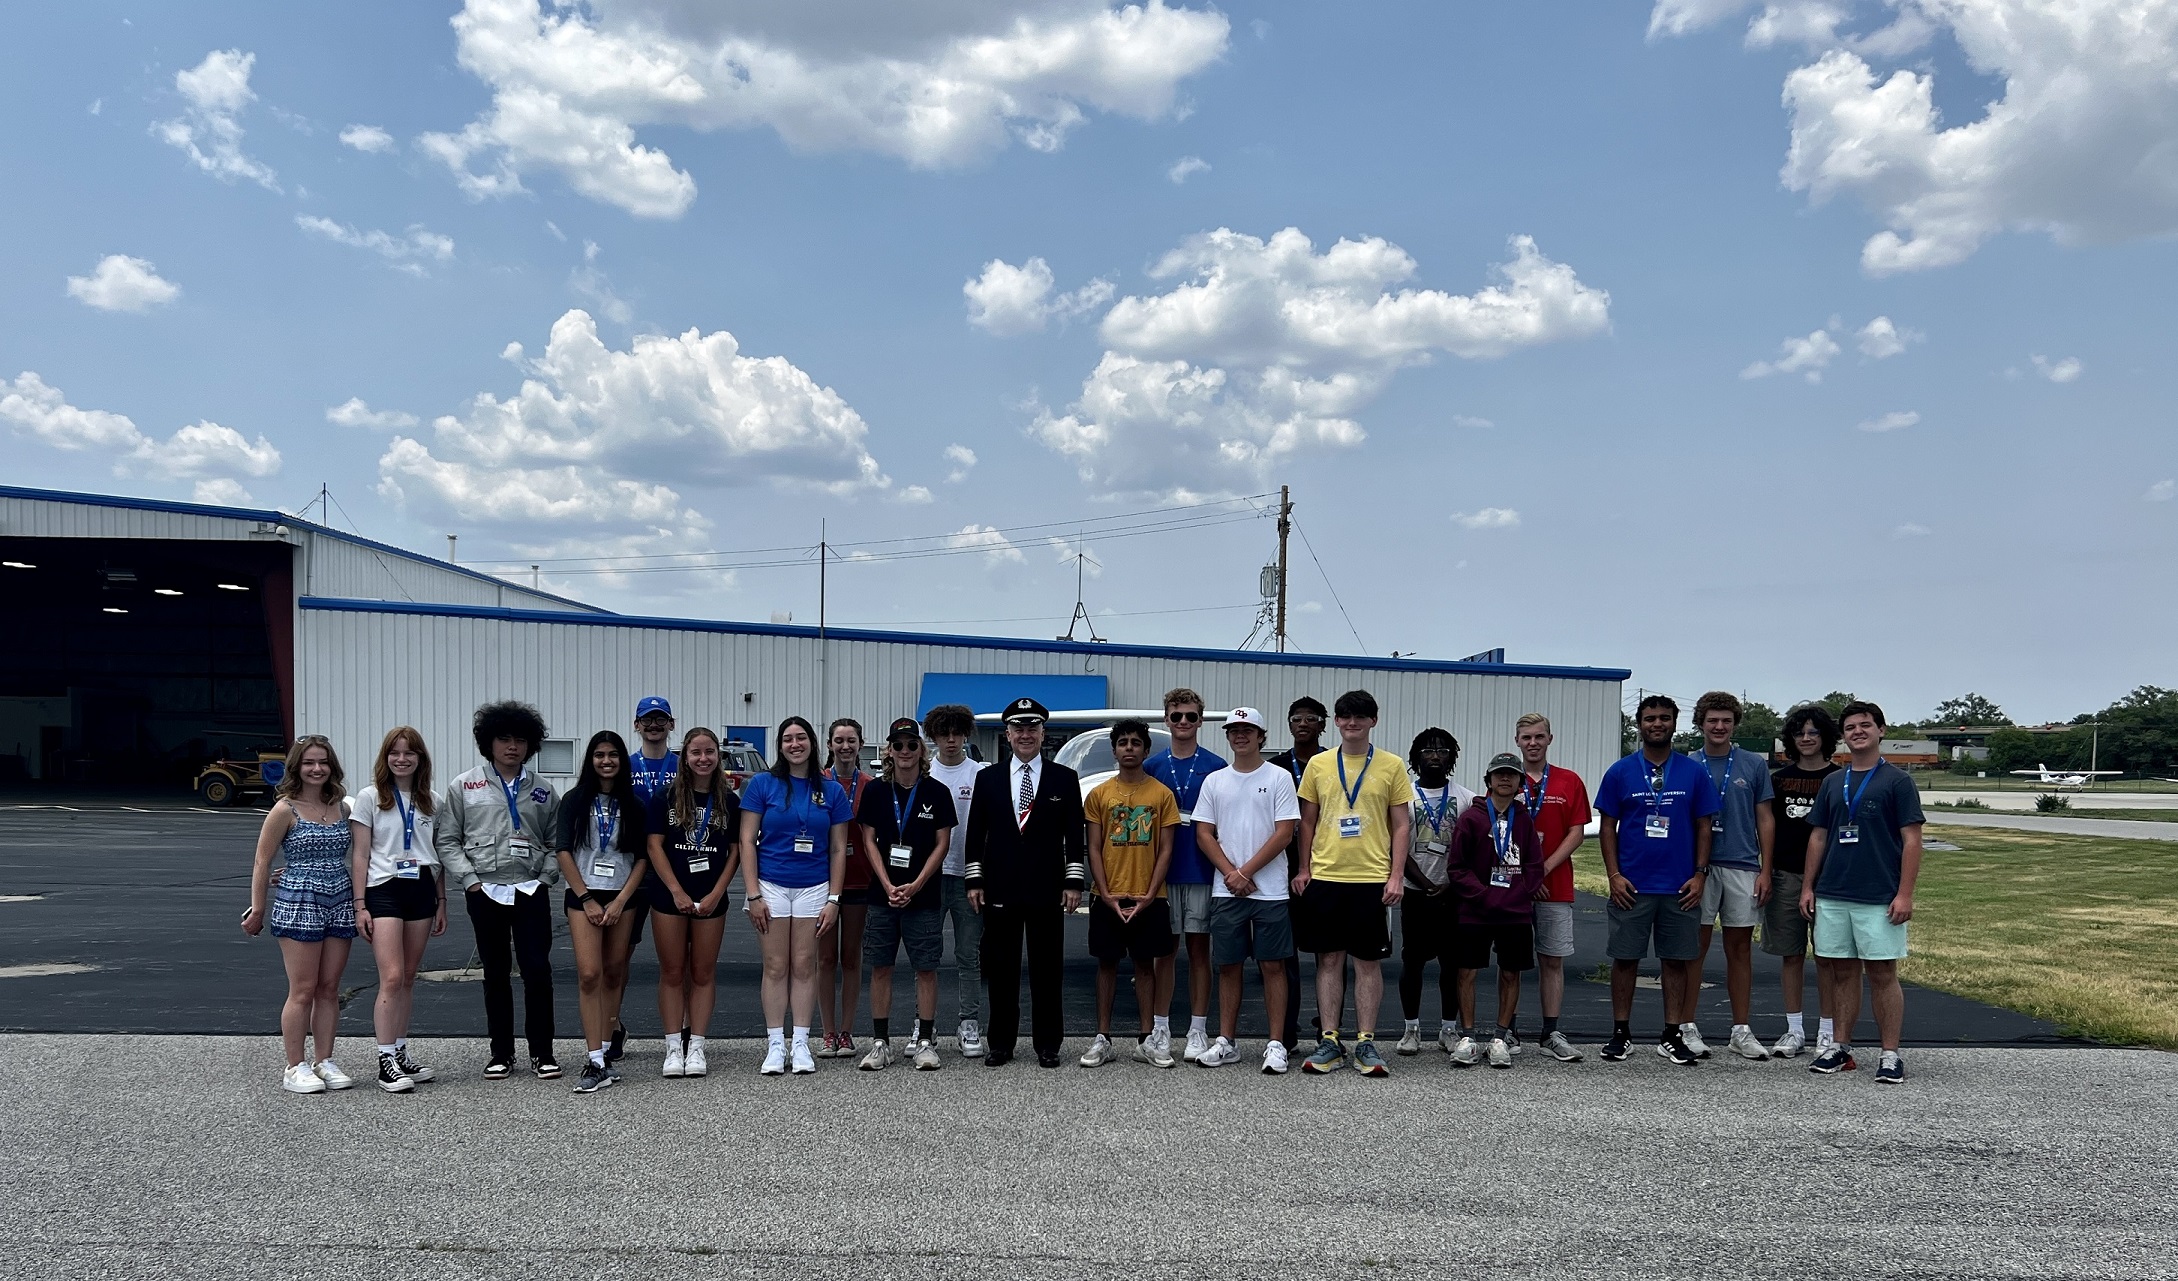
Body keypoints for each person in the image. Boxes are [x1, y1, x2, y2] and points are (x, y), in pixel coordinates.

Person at [1801, 701, 1924, 1084]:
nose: (1858, 731)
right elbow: (1818, 836)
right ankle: (1840, 1046)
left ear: (1881, 731)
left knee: (1883, 973)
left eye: (1865, 725)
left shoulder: (1897, 782)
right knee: (1842, 972)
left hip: (1878, 895)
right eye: (1851, 726)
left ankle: (1890, 1054)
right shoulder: (1833, 782)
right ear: (1844, 735)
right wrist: (1808, 886)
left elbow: (1912, 839)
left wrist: (1904, 894)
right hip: (1834, 893)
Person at [1593, 695, 1720, 1066]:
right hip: (1632, 884)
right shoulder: (1620, 771)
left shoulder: (1693, 771)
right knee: (1625, 959)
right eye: (1650, 718)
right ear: (1640, 724)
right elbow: (1607, 827)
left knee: (1676, 961)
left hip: (1680, 886)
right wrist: (1613, 875)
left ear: (1675, 723)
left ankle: (1671, 1034)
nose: (1657, 724)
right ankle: (1621, 1033)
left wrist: (1700, 874)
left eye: (1665, 718)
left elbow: (1704, 826)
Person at [438, 701, 562, 1080]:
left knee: (537, 971)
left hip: (529, 890)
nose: (512, 746)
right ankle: (501, 1052)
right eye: (504, 738)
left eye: (520, 740)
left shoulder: (542, 790)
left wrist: (545, 878)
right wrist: (470, 881)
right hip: (485, 891)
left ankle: (542, 1052)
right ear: (488, 743)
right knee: (495, 972)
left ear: (531, 745)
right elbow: (448, 840)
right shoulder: (464, 785)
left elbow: (558, 842)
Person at [1293, 689, 1414, 1077]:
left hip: (1371, 878)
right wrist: (1303, 868)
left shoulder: (1392, 766)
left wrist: (1396, 875)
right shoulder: (1319, 764)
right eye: (1345, 716)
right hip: (1326, 874)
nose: (1352, 723)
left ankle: (1365, 1041)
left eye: (1360, 716)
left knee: (1367, 962)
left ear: (1373, 721)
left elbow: (1401, 825)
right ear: (1337, 722)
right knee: (1327, 959)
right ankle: (1330, 1040)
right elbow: (1307, 821)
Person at [963, 697, 1086, 1069]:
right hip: (999, 887)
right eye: (1019, 729)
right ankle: (1000, 1043)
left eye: (1032, 728)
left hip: (1047, 887)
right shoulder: (988, 778)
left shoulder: (1064, 779)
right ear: (1008, 734)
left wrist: (1073, 881)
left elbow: (1073, 836)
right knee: (1001, 969)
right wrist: (975, 880)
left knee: (1048, 969)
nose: (1026, 735)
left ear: (1043, 733)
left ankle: (1048, 1045)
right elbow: (975, 833)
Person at [738, 716, 854, 1075]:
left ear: (812, 743)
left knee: (805, 965)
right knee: (775, 966)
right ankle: (776, 1044)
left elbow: (838, 849)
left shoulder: (832, 790)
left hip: (814, 886)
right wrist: (753, 894)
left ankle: (801, 1042)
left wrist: (834, 899)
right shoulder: (763, 784)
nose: (795, 744)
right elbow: (746, 841)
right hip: (771, 885)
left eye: (800, 737)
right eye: (787, 739)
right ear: (780, 746)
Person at [244, 736, 357, 1094]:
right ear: (297, 766)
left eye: (323, 762)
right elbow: (263, 860)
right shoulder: (284, 809)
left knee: (329, 988)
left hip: (339, 898)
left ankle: (324, 1060)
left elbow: (361, 851)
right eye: (309, 762)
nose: (317, 769)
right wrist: (258, 908)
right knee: (303, 989)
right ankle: (295, 1066)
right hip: (299, 901)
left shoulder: (342, 806)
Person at [1192, 707, 1300, 1072]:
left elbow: (1284, 832)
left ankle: (1275, 1044)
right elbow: (1204, 833)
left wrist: (1246, 872)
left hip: (1269, 890)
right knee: (1229, 966)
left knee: (1273, 965)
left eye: (1248, 730)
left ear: (1261, 736)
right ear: (1227, 736)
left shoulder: (1280, 777)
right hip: (1227, 891)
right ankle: (1226, 1041)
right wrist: (1231, 874)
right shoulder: (1215, 781)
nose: (1241, 736)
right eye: (1234, 730)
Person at [1078, 719, 1181, 1069]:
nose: (1129, 748)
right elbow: (1093, 847)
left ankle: (1145, 1039)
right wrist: (1105, 893)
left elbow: (1166, 849)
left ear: (1146, 750)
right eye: (1122, 743)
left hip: (1149, 897)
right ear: (1114, 750)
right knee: (1106, 965)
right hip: (1108, 895)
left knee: (1145, 965)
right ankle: (1102, 1038)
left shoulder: (1162, 794)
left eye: (1136, 743)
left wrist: (1151, 894)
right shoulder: (1099, 794)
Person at [347, 727, 445, 1093]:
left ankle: (401, 1052)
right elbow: (359, 854)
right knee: (390, 976)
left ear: (421, 759)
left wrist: (442, 901)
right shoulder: (370, 798)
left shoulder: (431, 800)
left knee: (407, 977)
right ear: (385, 757)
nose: (402, 759)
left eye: (410, 753)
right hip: (383, 890)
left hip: (421, 889)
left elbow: (437, 855)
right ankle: (385, 1059)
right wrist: (360, 905)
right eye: (395, 752)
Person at [856, 723, 958, 1072]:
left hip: (924, 895)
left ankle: (927, 1042)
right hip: (882, 895)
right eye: (897, 744)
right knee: (880, 967)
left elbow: (942, 844)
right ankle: (881, 1043)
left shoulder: (938, 792)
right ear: (889, 750)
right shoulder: (875, 792)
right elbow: (868, 840)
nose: (904, 751)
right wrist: (887, 884)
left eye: (911, 744)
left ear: (920, 750)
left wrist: (915, 884)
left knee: (926, 969)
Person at [556, 731, 651, 1094]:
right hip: (584, 896)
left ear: (622, 760)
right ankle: (593, 1057)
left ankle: (609, 1046)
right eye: (599, 755)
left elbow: (642, 858)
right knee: (590, 974)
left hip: (622, 896)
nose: (606, 761)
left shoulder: (634, 804)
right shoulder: (574, 800)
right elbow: (563, 851)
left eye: (613, 755)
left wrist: (620, 900)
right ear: (590, 759)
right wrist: (587, 899)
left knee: (614, 972)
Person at [1686, 691, 1777, 1061]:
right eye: (1712, 721)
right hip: (1700, 868)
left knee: (1740, 949)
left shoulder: (1753, 764)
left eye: (1726, 720)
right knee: (1695, 949)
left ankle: (1741, 1029)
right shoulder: (1689, 763)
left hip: (1742, 865)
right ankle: (1686, 1026)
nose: (1719, 727)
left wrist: (1765, 869)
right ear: (1701, 724)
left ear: (1734, 724)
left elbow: (1765, 818)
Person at [646, 728, 741, 1079]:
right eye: (696, 752)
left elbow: (736, 851)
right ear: (684, 757)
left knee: (702, 973)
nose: (703, 758)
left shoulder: (730, 800)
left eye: (710, 752)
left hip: (711, 896)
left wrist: (718, 892)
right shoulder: (665, 797)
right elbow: (654, 846)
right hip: (671, 896)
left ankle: (697, 1046)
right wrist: (676, 890)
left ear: (718, 756)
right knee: (672, 972)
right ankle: (673, 1047)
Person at [1445, 754, 1546, 1069]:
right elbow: (1457, 867)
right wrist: (1482, 894)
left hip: (1514, 912)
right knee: (1467, 972)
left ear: (1519, 783)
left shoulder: (1524, 819)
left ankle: (1501, 1038)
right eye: (1499, 775)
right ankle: (1469, 1037)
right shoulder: (1471, 819)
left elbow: (1533, 865)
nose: (1506, 780)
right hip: (1475, 910)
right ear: (1489, 780)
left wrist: (1520, 893)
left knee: (1510, 972)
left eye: (1512, 775)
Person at [1144, 687, 1227, 1064]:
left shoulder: (1216, 765)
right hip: (1162, 872)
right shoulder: (1152, 766)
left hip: (1201, 869)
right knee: (1164, 951)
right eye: (1176, 716)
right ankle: (1160, 1027)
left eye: (1190, 716)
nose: (1182, 722)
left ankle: (1197, 1028)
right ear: (1166, 719)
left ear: (1200, 720)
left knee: (1198, 952)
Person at [1514, 712, 1593, 1063]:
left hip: (1555, 885)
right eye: (1526, 737)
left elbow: (1576, 833)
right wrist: (1526, 877)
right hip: (1513, 889)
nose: (1533, 743)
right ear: (1517, 741)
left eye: (1539, 737)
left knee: (1552, 960)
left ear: (1550, 739)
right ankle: (1507, 1030)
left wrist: (1542, 869)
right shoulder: (1505, 779)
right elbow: (1498, 833)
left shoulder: (1568, 781)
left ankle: (1550, 1032)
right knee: (1511, 961)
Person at [1765, 704, 1840, 1059]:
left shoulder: (1840, 778)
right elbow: (1766, 827)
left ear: (1826, 736)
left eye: (1813, 732)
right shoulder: (1778, 779)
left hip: (1831, 880)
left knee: (1827, 957)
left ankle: (1828, 1031)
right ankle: (1794, 1029)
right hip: (1785, 874)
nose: (1807, 738)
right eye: (1799, 733)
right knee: (1791, 955)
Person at [1396, 728, 1476, 1057]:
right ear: (1415, 758)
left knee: (1452, 965)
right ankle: (1411, 1028)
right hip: (1416, 892)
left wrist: (1451, 883)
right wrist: (1426, 884)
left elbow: (1472, 849)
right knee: (1412, 962)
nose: (1434, 756)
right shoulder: (1402, 797)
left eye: (1442, 751)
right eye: (1427, 750)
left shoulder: (1467, 797)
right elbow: (1394, 847)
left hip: (1454, 894)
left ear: (1451, 758)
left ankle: (1448, 1029)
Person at [924, 703, 987, 1058]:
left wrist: (982, 874)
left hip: (968, 877)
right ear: (933, 736)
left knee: (968, 955)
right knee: (926, 956)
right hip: (930, 878)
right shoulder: (923, 773)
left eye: (957, 733)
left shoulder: (980, 774)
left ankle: (969, 1022)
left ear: (966, 734)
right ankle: (925, 1026)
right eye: (943, 733)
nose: (950, 740)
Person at [1267, 696, 1328, 1051]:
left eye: (1310, 718)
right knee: (1284, 957)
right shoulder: (1274, 768)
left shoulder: (1336, 765)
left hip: (1329, 869)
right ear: (1289, 725)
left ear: (1323, 724)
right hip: (1282, 872)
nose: (1302, 724)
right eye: (1296, 718)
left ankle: (1326, 1031)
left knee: (1329, 956)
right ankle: (1285, 1035)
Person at [817, 718, 873, 1059]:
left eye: (851, 740)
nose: (845, 747)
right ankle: (826, 1032)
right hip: (821, 881)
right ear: (829, 744)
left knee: (851, 958)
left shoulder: (870, 785)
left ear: (860, 743)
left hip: (859, 880)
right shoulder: (818, 783)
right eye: (839, 740)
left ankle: (847, 1032)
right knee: (825, 959)